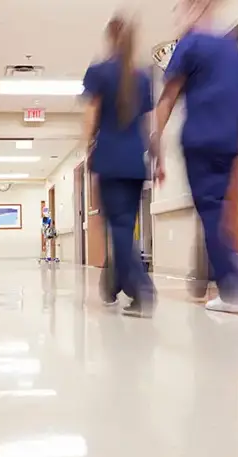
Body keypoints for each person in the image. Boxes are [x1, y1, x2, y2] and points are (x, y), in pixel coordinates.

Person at [154, 0, 238, 314]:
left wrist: (156, 146)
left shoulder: (190, 44)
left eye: (179, 10)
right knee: (218, 211)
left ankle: (233, 288)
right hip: (229, 140)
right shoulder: (235, 52)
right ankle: (226, 273)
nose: (177, 18)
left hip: (200, 140)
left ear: (195, 7)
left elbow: (168, 98)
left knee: (209, 213)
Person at [82, 14, 159, 317]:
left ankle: (142, 290)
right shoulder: (141, 77)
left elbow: (92, 114)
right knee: (126, 227)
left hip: (110, 160)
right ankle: (119, 285)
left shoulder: (99, 72)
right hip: (135, 160)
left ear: (110, 38)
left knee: (120, 229)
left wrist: (87, 146)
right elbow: (148, 124)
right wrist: (158, 156)